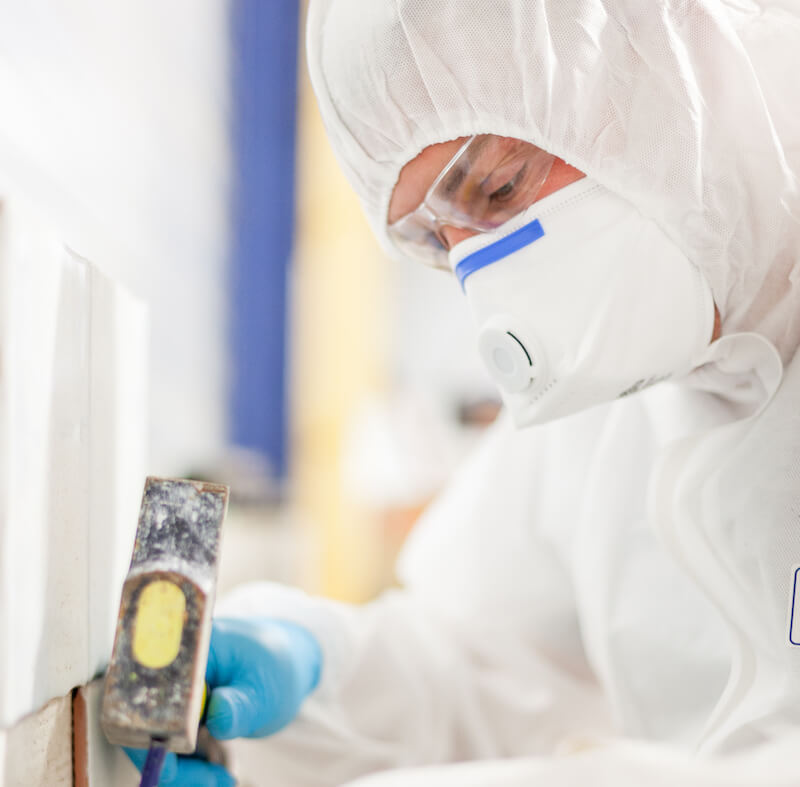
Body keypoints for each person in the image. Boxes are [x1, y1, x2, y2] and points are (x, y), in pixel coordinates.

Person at [127, 1, 800, 784]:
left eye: (501, 185)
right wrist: (315, 673)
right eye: (440, 243)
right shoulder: (620, 388)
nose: (495, 288)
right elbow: (485, 668)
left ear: (683, 53)